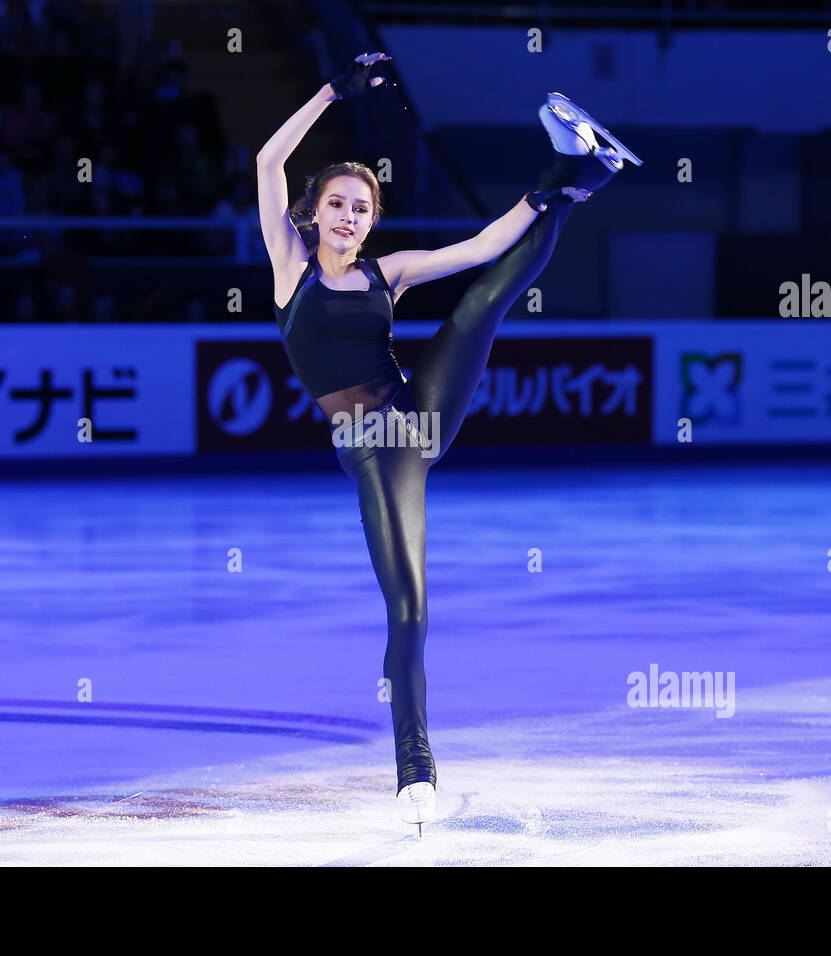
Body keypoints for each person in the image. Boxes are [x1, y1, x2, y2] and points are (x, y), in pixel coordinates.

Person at [256, 53, 639, 832]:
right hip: (375, 450)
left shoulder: (385, 274)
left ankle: (572, 178)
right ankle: (415, 769)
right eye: (337, 204)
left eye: (362, 208)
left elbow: (480, 245)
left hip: (418, 415)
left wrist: (532, 205)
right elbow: (267, 159)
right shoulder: (289, 272)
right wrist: (333, 88)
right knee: (410, 613)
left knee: (482, 303)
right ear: (312, 211)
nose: (350, 217)